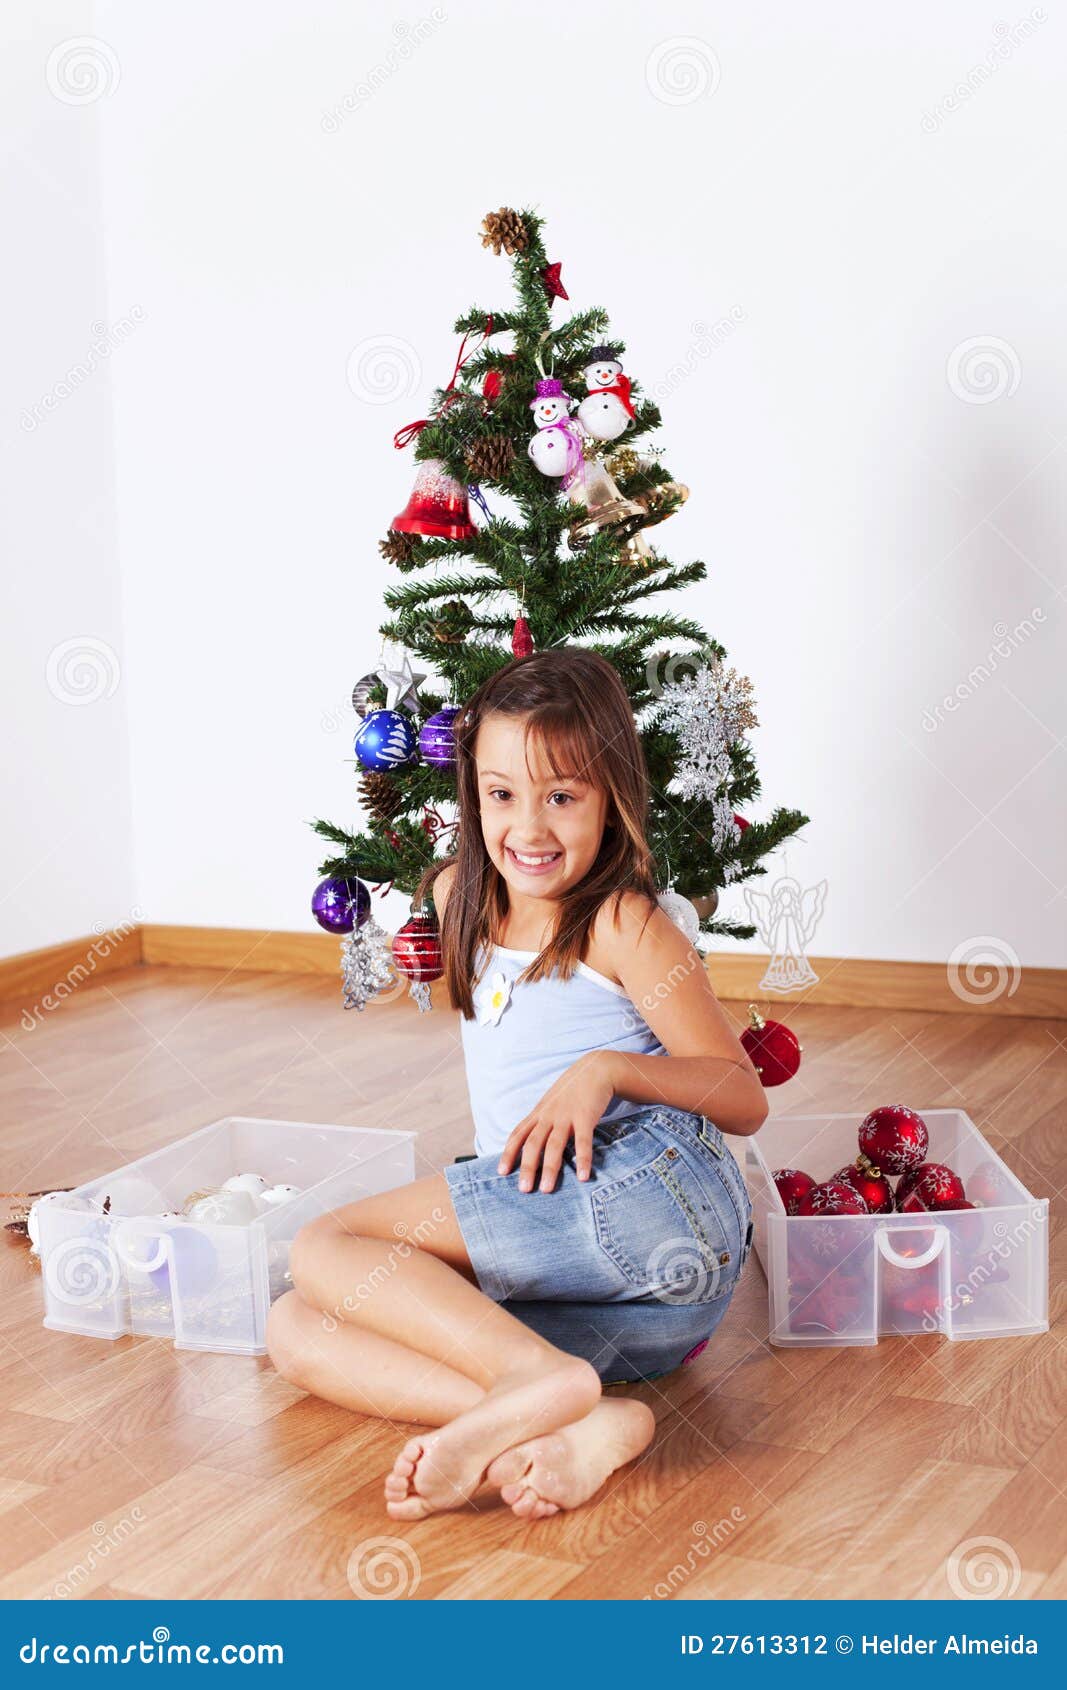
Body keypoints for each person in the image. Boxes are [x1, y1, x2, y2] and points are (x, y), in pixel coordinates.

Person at [267, 648, 767, 1522]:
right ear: (472, 795)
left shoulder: (620, 921)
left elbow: (742, 1095)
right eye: (501, 794)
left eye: (562, 796)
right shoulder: (463, 892)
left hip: (654, 1194)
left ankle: (537, 1380)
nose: (527, 829)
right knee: (299, 1328)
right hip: (640, 1319)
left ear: (612, 796)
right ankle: (587, 1416)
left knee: (322, 1246)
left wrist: (604, 1069)